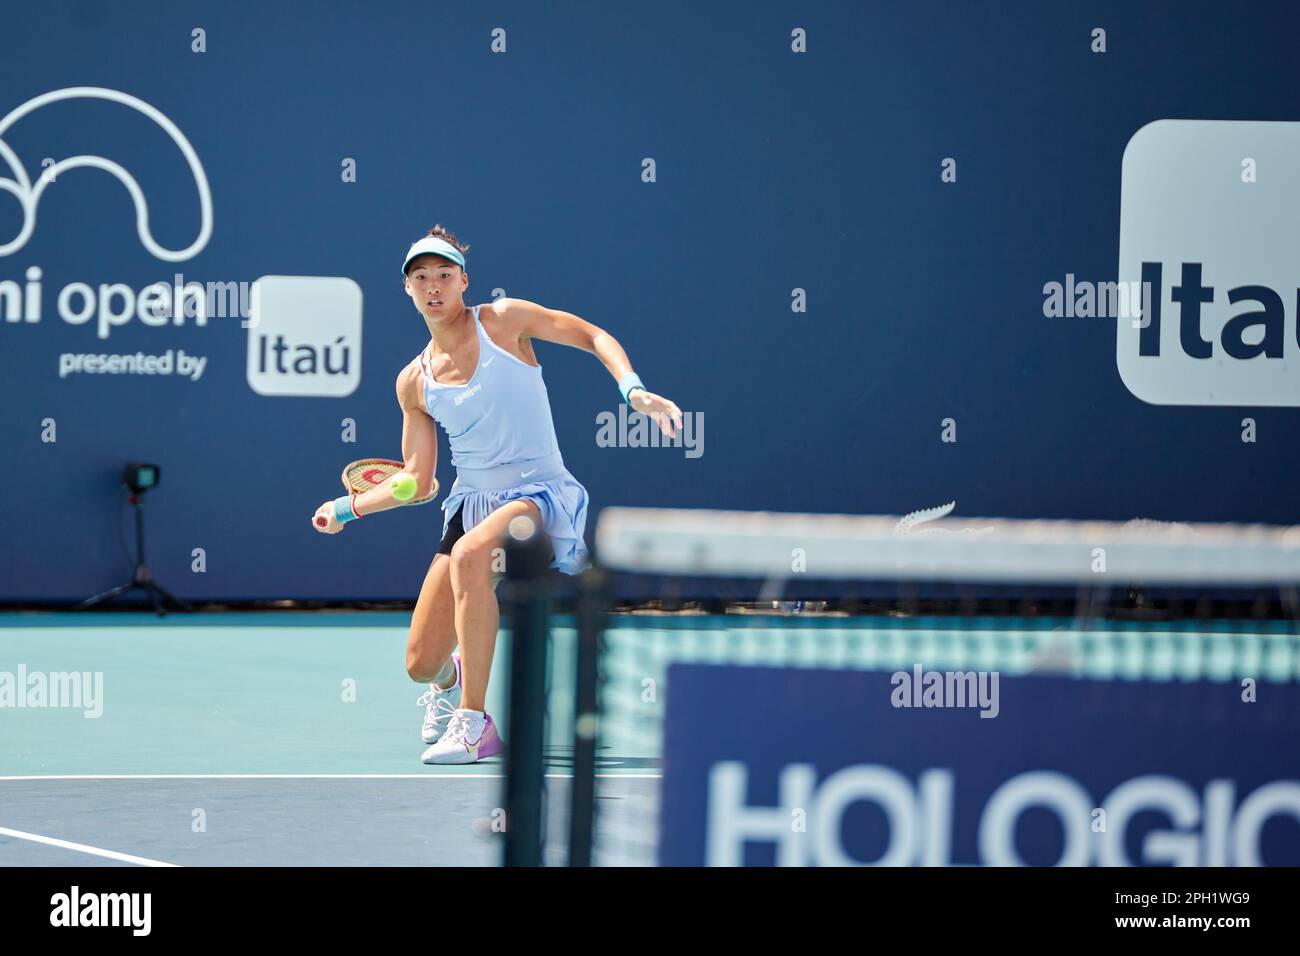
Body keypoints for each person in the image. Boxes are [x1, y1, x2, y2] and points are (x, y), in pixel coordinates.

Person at [312, 225, 683, 764]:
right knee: (420, 662)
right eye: (421, 278)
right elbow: (417, 480)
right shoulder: (412, 383)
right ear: (408, 290)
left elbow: (591, 335)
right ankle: (450, 679)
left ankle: (474, 723)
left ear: (464, 281)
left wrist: (632, 388)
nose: (434, 286)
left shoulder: (503, 321)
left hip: (538, 494)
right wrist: (345, 508)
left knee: (468, 555)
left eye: (444, 274)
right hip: (472, 504)